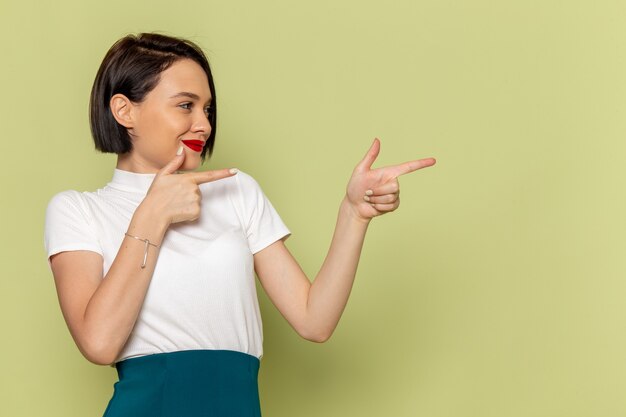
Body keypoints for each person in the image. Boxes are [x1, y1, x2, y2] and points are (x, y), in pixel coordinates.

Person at [44, 32, 436, 417]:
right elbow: (99, 344)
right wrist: (153, 215)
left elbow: (314, 320)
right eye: (185, 105)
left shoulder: (236, 191)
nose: (204, 125)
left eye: (207, 109)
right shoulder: (79, 210)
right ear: (124, 111)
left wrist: (353, 214)